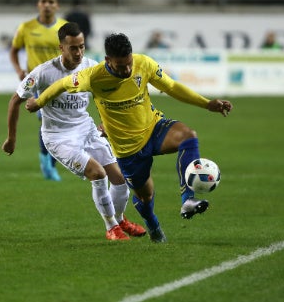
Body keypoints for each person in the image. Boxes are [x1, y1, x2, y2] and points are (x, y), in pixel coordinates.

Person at [26, 33, 233, 243]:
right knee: (145, 196)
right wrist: (39, 102)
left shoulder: (143, 63)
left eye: (129, 63)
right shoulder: (93, 76)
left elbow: (171, 86)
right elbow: (61, 85)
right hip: (128, 150)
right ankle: (152, 224)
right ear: (108, 61)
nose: (126, 70)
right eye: (120, 66)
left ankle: (187, 199)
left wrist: (207, 104)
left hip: (153, 127)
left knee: (188, 136)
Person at [2, 22, 146, 241]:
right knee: (98, 174)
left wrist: (106, 123)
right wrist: (12, 138)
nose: (79, 52)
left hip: (86, 129)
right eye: (73, 48)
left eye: (81, 46)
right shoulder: (43, 72)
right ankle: (111, 228)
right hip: (59, 138)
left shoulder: (92, 67)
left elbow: (107, 98)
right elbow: (15, 101)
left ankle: (119, 219)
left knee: (120, 178)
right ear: (61, 48)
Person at [10, 0, 68, 182]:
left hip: (62, 83)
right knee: (47, 121)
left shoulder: (65, 29)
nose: (47, 5)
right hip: (38, 84)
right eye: (43, 1)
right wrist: (19, 70)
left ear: (57, 5)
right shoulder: (26, 27)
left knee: (60, 125)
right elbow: (14, 50)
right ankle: (47, 163)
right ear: (38, 4)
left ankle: (47, 160)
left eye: (51, 2)